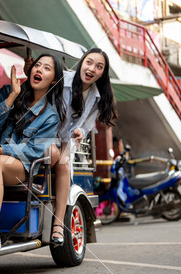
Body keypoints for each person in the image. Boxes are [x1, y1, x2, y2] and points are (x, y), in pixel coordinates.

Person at [0, 53, 64, 250]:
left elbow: (34, 150)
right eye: (37, 65)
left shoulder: (51, 116)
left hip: (22, 167)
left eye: (46, 68)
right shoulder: (8, 91)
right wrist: (12, 97)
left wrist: (2, 150)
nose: (39, 69)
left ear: (53, 80)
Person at [49, 48, 118, 246]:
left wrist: (79, 133)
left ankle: (58, 225)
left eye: (99, 67)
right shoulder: (63, 79)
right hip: (44, 135)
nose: (92, 69)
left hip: (66, 143)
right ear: (81, 62)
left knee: (63, 164)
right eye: (89, 62)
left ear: (102, 73)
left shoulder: (97, 98)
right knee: (58, 161)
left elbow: (85, 127)